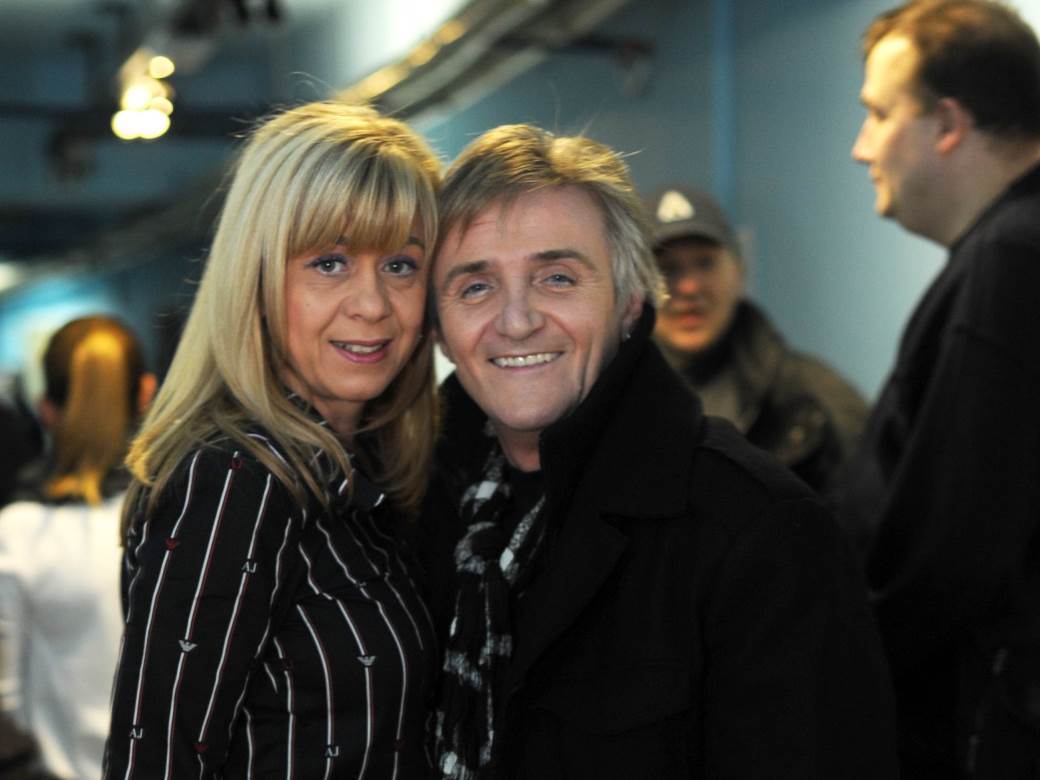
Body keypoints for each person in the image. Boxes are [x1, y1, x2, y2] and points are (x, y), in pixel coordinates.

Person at [421, 124, 898, 779]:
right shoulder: (421, 512)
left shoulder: (758, 529)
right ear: (439, 330)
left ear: (629, 303)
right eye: (475, 287)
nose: (517, 320)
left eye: (557, 277)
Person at [103, 100, 441, 778]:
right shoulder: (234, 479)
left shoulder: (357, 468)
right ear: (256, 275)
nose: (373, 304)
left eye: (401, 265)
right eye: (330, 262)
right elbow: (157, 761)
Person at [845, 1, 1040, 775]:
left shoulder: (1011, 261)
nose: (861, 147)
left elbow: (948, 552)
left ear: (949, 123)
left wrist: (838, 667)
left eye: (878, 114)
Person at [0, 316, 155, 779]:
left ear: (45, 409)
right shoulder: (192, 514)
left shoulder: (18, 534)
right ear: (146, 393)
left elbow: (6, 699)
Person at [644, 185, 868, 496]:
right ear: (635, 286)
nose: (689, 287)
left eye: (706, 263)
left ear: (739, 273)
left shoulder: (817, 402)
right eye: (666, 268)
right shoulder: (602, 400)